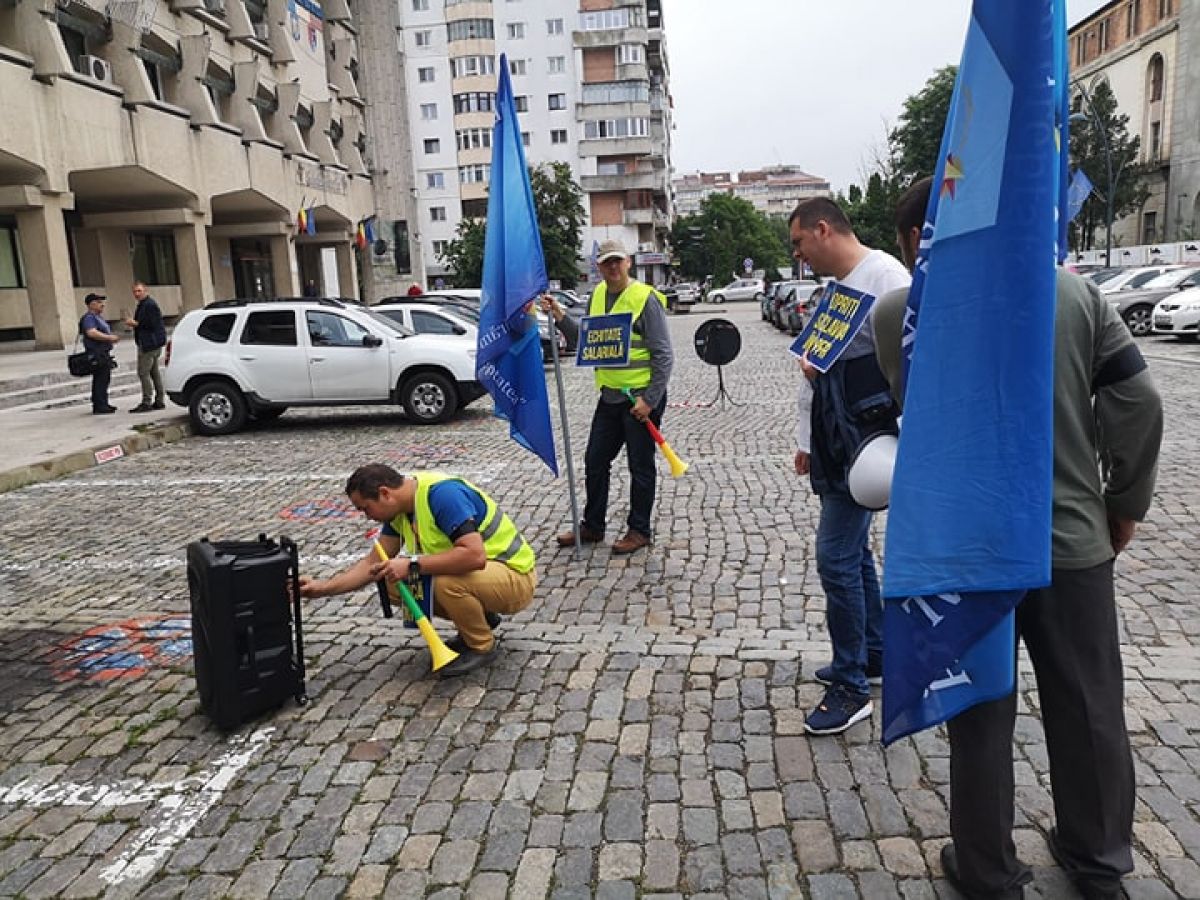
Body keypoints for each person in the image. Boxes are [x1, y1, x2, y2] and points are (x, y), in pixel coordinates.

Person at [876, 177, 1163, 900]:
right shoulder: (1073, 294)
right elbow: (1137, 400)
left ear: (917, 240)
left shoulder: (896, 313)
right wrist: (1123, 502)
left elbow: (915, 414)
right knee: (1089, 704)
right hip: (1070, 537)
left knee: (979, 712)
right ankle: (1099, 863)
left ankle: (987, 870)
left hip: (967, 548)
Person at [789, 197, 911, 735]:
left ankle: (850, 685)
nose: (797, 254)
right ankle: (874, 653)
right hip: (837, 442)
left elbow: (910, 365)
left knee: (834, 557)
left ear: (823, 230)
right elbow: (815, 371)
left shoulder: (886, 277)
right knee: (854, 554)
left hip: (867, 444)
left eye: (799, 242)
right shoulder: (836, 291)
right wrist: (806, 440)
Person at [298, 464, 537, 677]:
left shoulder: (443, 496)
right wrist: (321, 589)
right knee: (390, 582)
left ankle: (481, 646)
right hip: (482, 577)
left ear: (385, 493)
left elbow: (474, 556)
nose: (367, 517)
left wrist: (412, 565)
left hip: (515, 575)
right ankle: (479, 618)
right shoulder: (401, 510)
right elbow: (372, 564)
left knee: (444, 583)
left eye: (366, 509)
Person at [550, 239, 674, 555]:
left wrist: (650, 400)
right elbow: (586, 341)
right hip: (610, 397)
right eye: (607, 262)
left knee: (640, 466)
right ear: (599, 267)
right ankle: (593, 526)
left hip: (640, 399)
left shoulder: (645, 299)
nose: (614, 267)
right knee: (595, 460)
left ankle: (639, 530)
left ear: (628, 262)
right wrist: (560, 315)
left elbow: (664, 355)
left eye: (618, 261)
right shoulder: (597, 297)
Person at [123, 282, 167, 412]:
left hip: (149, 344)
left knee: (143, 372)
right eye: (135, 291)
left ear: (145, 291)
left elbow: (151, 324)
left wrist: (135, 323)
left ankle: (147, 401)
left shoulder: (149, 305)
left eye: (139, 291)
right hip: (151, 343)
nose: (137, 294)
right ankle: (159, 400)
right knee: (154, 372)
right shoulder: (144, 305)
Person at [79, 292, 119, 415]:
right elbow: (91, 332)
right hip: (96, 353)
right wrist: (109, 338)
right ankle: (99, 405)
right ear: (91, 304)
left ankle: (103, 402)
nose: (102, 305)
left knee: (104, 378)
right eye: (99, 302)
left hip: (103, 352)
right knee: (100, 379)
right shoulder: (89, 318)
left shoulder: (98, 317)